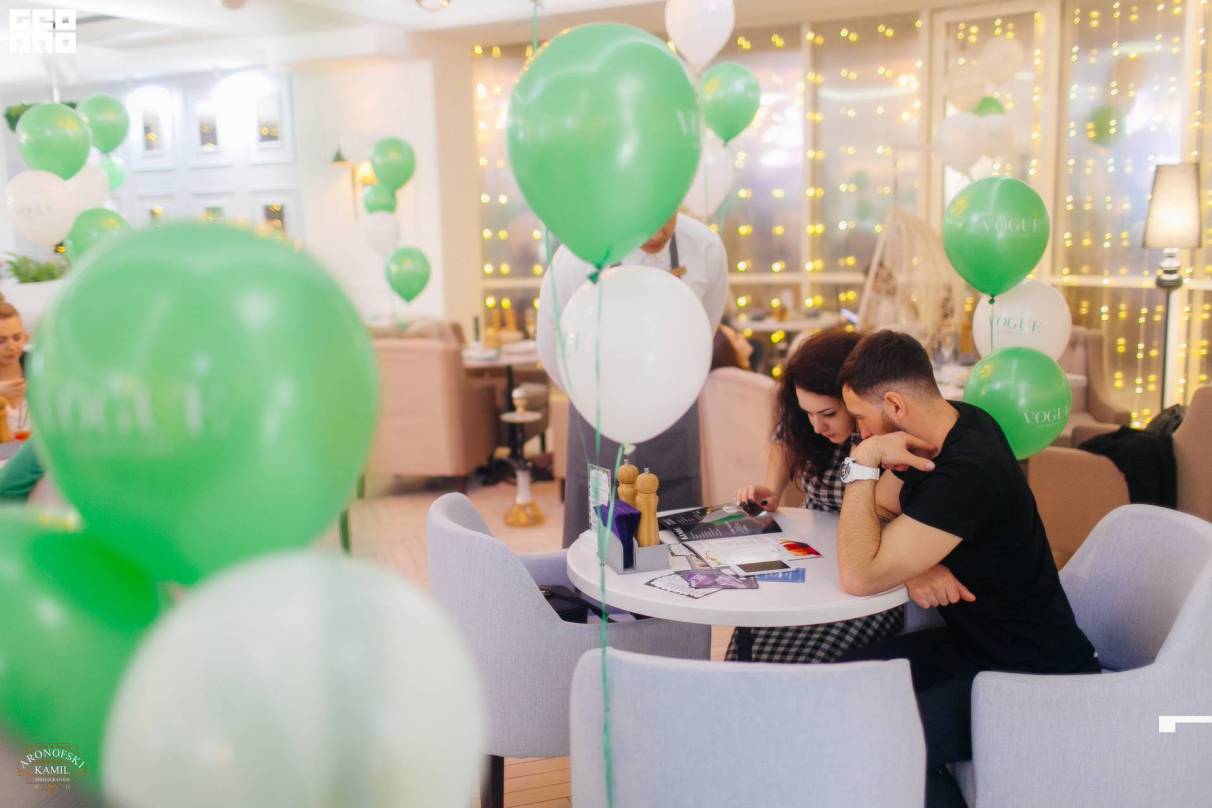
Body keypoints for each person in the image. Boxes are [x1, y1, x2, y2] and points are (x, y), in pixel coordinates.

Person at [830, 330, 1100, 808]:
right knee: (839, 683)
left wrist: (863, 463)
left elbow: (858, 575)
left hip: (1030, 677)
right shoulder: (955, 425)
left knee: (874, 743)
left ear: (894, 405)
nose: (862, 433)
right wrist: (916, 565)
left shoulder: (969, 470)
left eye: (860, 419)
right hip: (974, 646)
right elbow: (883, 508)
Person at [538, 211, 728, 548]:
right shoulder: (578, 254)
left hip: (673, 406)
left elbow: (706, 325)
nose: (657, 231)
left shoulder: (705, 247)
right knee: (597, 514)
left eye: (666, 215)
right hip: (598, 406)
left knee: (673, 517)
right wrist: (590, 398)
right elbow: (552, 342)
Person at [731, 328, 903, 662]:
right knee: (752, 638)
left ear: (856, 397)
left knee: (811, 660)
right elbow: (784, 440)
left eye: (828, 414)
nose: (816, 427)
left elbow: (893, 521)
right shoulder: (806, 428)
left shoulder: (885, 438)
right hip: (810, 554)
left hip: (867, 567)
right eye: (807, 414)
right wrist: (772, 491)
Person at [0, 295, 28, 407]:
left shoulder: (37, 364)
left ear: (25, 336)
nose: (11, 347)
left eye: (17, 338)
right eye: (1, 341)